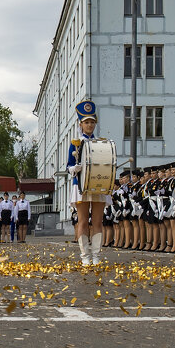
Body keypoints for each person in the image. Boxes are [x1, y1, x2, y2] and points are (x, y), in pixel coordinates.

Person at [66, 100, 109, 265]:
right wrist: (75, 168)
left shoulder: (101, 142)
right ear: (81, 124)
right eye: (86, 122)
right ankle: (85, 256)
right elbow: (69, 165)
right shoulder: (75, 143)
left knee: (98, 221)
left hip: (97, 185)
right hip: (81, 185)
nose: (89, 125)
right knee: (83, 221)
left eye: (92, 122)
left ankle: (96, 255)